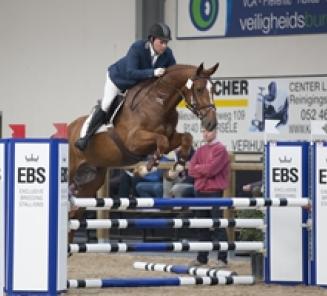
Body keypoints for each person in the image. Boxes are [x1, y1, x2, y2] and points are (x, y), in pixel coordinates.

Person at [75, 22, 176, 151]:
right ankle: (85, 137)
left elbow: (173, 72)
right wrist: (153, 72)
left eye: (166, 43)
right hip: (119, 80)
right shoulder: (137, 47)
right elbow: (131, 72)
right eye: (161, 42)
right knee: (106, 104)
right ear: (152, 39)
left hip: (138, 85)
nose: (164, 46)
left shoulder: (168, 54)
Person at [188, 126, 230, 267]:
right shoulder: (200, 150)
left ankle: (222, 258)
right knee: (202, 226)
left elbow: (211, 170)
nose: (205, 134)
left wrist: (199, 168)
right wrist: (202, 169)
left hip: (214, 191)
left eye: (208, 131)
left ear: (216, 132)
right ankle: (202, 258)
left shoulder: (220, 150)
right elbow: (190, 170)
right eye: (204, 131)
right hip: (200, 191)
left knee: (218, 225)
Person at [164, 132, 195, 197]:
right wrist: (172, 173)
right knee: (167, 177)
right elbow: (177, 169)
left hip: (190, 181)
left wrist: (186, 167)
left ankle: (178, 205)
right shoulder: (178, 153)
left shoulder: (195, 155)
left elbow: (193, 177)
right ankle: (167, 203)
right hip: (181, 178)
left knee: (176, 188)